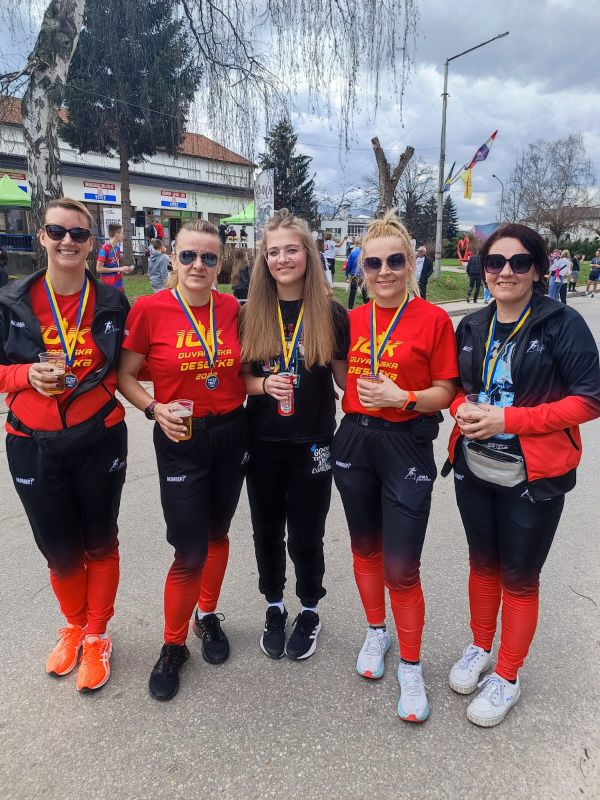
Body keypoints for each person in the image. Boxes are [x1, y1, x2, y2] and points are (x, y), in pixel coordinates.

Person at [444, 223, 600, 728]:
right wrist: (463, 409)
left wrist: (509, 420)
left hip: (535, 473)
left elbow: (589, 400)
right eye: (495, 262)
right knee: (482, 563)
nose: (505, 271)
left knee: (519, 576)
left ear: (537, 269)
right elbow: (457, 388)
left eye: (519, 262)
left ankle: (507, 676)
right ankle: (480, 646)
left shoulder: (562, 323)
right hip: (474, 464)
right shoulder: (473, 324)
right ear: (483, 269)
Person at [332, 211, 458, 722]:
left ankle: (411, 663)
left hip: (406, 442)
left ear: (411, 264)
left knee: (402, 566)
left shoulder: (433, 319)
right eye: (373, 263)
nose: (384, 272)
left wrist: (402, 397)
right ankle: (375, 632)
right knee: (365, 548)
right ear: (361, 269)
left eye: (395, 261)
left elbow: (445, 391)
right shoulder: (352, 319)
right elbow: (340, 371)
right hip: (355, 440)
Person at [0, 197, 130, 692]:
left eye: (78, 234)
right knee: (58, 550)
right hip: (31, 440)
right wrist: (24, 375)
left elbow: (132, 365)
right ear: (42, 237)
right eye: (57, 232)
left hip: (99, 436)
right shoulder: (11, 301)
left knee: (100, 541)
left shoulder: (113, 303)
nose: (67, 241)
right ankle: (74, 625)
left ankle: (97, 635)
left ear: (91, 243)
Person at [118, 219, 248, 701]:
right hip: (180, 434)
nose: (198, 265)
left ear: (220, 264)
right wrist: (153, 408)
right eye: (189, 255)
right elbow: (125, 375)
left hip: (231, 432)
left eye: (209, 258)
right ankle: (173, 645)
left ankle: (206, 615)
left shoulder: (232, 308)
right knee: (189, 550)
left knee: (217, 533)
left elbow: (245, 369)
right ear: (173, 257)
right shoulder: (149, 309)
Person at [240, 209, 348, 662]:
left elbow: (345, 380)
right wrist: (265, 385)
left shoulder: (331, 312)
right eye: (273, 252)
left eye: (291, 249)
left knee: (306, 532)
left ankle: (308, 609)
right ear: (264, 259)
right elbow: (242, 381)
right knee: (266, 530)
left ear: (308, 253)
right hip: (263, 441)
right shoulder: (250, 312)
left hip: (314, 442)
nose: (282, 259)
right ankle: (274, 605)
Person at [96, 223, 133, 292]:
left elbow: (116, 266)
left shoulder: (117, 248)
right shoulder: (105, 248)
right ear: (117, 234)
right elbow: (99, 269)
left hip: (118, 284)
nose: (123, 236)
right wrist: (119, 269)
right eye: (122, 233)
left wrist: (124, 269)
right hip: (109, 286)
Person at [344, 238, 368, 309]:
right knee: (365, 292)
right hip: (364, 275)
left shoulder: (353, 253)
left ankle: (350, 308)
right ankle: (367, 306)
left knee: (353, 292)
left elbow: (348, 264)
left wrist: (346, 274)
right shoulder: (366, 253)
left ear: (356, 243)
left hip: (355, 274)